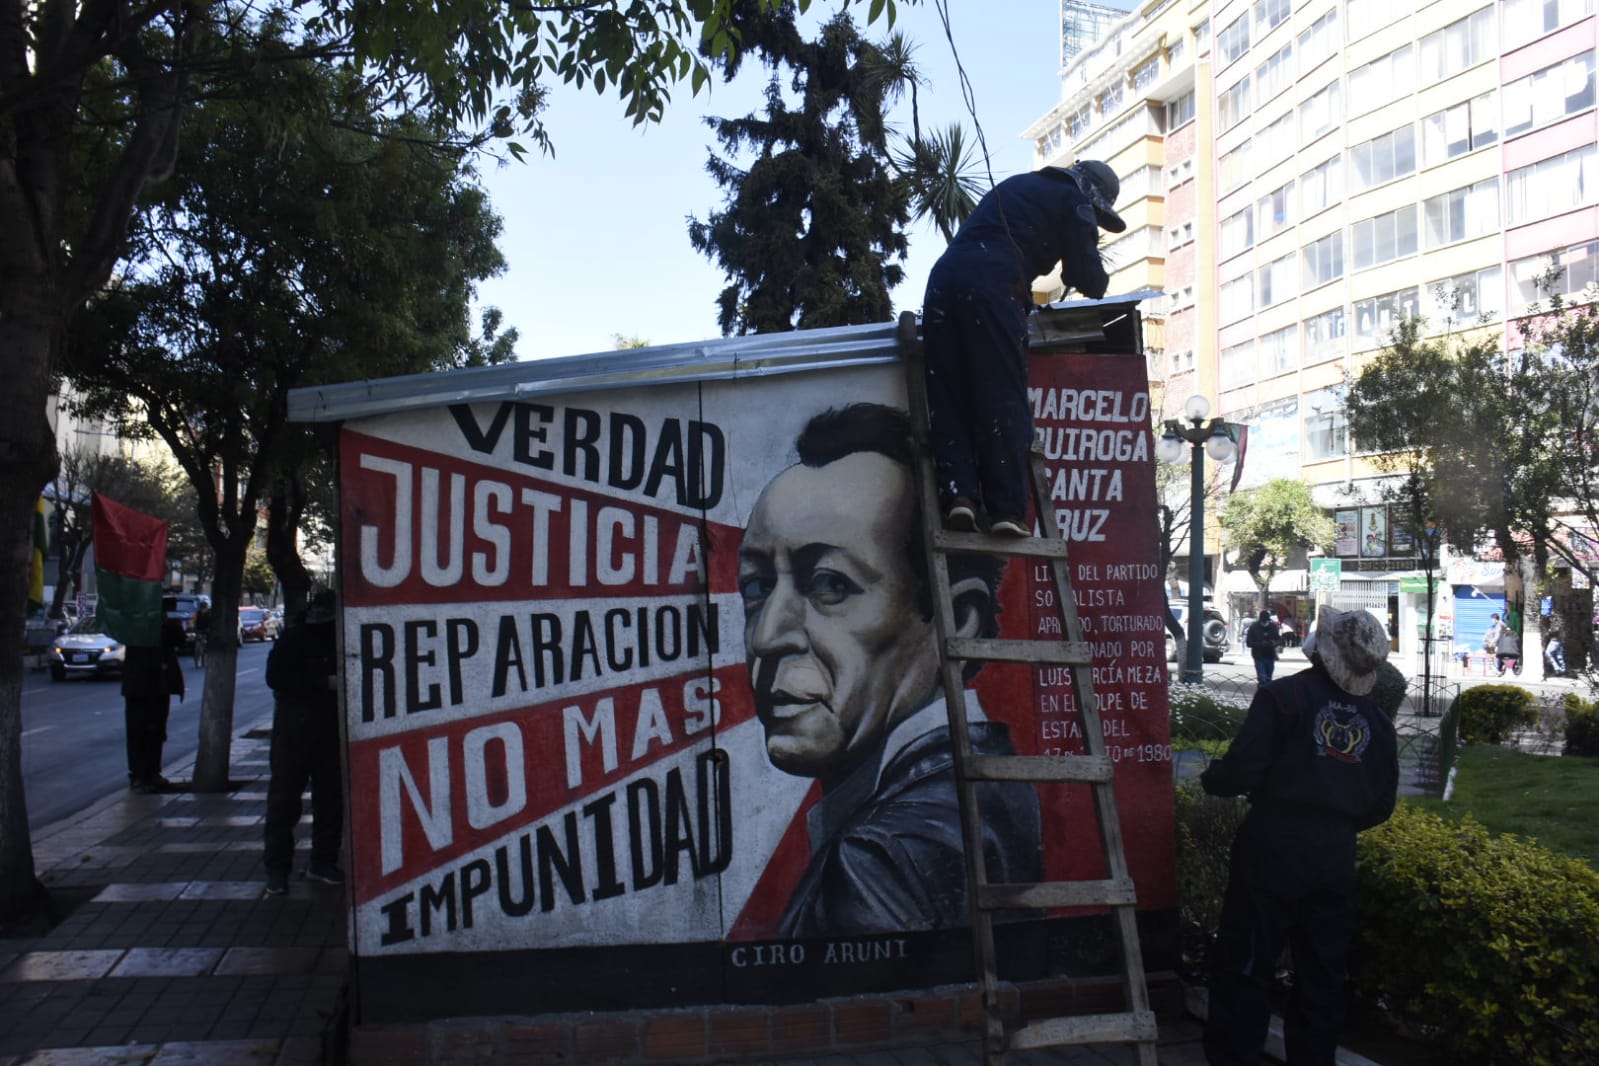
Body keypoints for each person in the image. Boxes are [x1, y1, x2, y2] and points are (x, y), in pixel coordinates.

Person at [737, 403, 1041, 937]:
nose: (766, 636)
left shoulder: (878, 863)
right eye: (759, 586)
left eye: (830, 584)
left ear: (956, 621)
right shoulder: (982, 786)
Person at [1201, 606, 1399, 1066]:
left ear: (1321, 649)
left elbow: (1241, 770)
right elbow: (1382, 804)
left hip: (1273, 845)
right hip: (1335, 855)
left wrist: (1215, 780)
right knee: (1322, 973)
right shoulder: (1380, 724)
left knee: (1248, 963)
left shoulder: (1283, 698)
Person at [922, 160, 1124, 536]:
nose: (1094, 220)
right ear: (1092, 197)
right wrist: (1088, 273)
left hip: (942, 283)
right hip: (992, 285)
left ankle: (959, 497)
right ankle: (1005, 510)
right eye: (1097, 215)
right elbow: (1089, 276)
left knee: (948, 394)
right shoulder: (1074, 198)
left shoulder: (1018, 184)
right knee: (1002, 396)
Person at [263, 590, 344, 895]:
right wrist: (323, 682)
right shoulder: (296, 639)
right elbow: (277, 678)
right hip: (296, 733)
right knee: (286, 802)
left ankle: (318, 863)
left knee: (328, 801)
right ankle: (279, 868)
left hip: (321, 732)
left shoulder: (334, 637)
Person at [122, 604, 186, 794]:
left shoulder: (164, 627)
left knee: (157, 731)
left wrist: (165, 622)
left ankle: (153, 772)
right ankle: (139, 775)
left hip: (159, 686)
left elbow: (179, 640)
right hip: (138, 688)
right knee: (138, 732)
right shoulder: (133, 626)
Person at [1244, 609, 1279, 686]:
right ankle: (1262, 694)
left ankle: (1268, 695)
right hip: (1259, 656)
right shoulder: (1254, 627)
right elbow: (1249, 643)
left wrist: (1274, 643)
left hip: (1270, 655)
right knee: (1262, 679)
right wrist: (1260, 644)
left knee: (1269, 679)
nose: (1265, 623)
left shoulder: (1273, 627)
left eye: (1266, 621)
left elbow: (1278, 640)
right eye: (1263, 621)